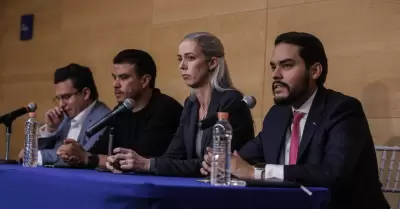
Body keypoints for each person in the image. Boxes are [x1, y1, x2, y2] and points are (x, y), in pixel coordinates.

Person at [201, 32, 389, 209]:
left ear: (315, 71)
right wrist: (222, 162)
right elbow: (245, 156)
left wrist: (255, 172)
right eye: (274, 67)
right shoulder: (277, 114)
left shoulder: (342, 110)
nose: (276, 75)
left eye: (287, 65)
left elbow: (332, 174)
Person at [105, 32, 255, 177]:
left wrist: (147, 164)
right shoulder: (191, 105)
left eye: (190, 58)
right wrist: (129, 162)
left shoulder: (231, 102)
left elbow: (214, 163)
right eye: (180, 59)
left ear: (212, 63)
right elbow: (174, 155)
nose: (182, 66)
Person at [56, 49, 183, 169]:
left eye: (123, 78)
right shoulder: (121, 110)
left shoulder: (165, 110)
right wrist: (78, 153)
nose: (115, 84)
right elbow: (97, 151)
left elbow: (138, 162)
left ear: (144, 81)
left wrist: (87, 157)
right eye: (114, 78)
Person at [18, 63, 111, 166]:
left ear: (85, 93)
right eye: (59, 98)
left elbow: (76, 157)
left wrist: (35, 155)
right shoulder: (64, 117)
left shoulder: (104, 118)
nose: (61, 105)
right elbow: (32, 155)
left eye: (66, 97)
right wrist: (50, 129)